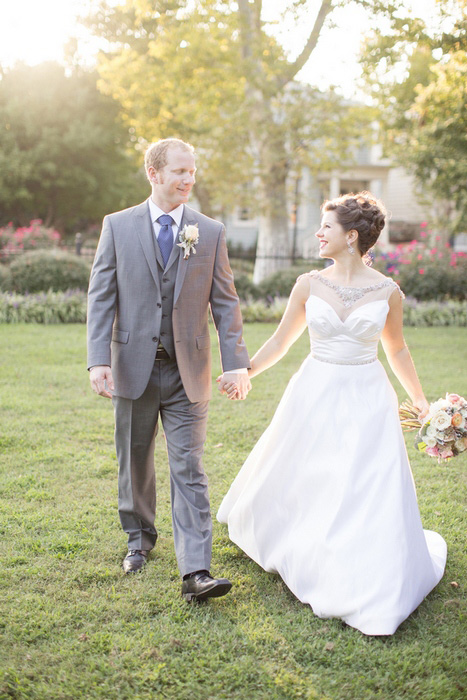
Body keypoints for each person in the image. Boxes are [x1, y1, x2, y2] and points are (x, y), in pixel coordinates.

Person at [218, 192, 447, 635]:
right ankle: (304, 542)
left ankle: (362, 563)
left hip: (366, 392)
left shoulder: (387, 292)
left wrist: (420, 400)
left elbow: (396, 348)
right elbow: (282, 341)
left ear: (352, 235)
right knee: (309, 472)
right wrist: (245, 372)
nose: (318, 234)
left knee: (362, 479)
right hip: (315, 388)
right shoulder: (309, 284)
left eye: (326, 227)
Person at [87, 137, 251, 602]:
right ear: (154, 173)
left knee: (190, 466)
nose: (189, 179)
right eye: (179, 171)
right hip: (132, 366)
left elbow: (226, 302)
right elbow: (101, 296)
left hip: (188, 372)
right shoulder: (117, 227)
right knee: (135, 459)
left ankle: (196, 570)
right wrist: (98, 359)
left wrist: (236, 364)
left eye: (192, 171)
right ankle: (138, 539)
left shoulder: (210, 231)